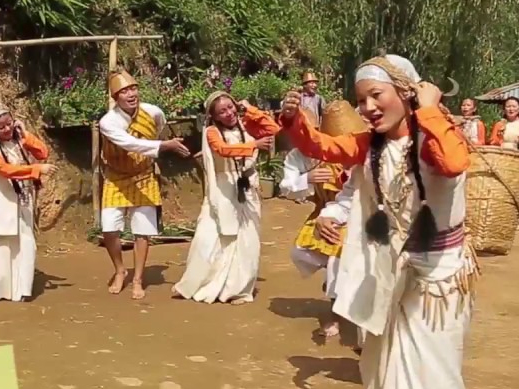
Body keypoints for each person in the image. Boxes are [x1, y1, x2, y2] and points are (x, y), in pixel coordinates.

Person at [280, 54, 477, 389]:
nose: (367, 107)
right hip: (392, 276)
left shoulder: (434, 135)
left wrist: (429, 108)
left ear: (406, 91)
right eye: (360, 99)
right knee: (385, 374)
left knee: (428, 383)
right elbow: (326, 148)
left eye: (376, 95)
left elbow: (452, 163)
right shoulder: (370, 144)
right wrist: (293, 120)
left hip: (437, 282)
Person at [173, 92, 279, 304]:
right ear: (214, 116)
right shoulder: (212, 132)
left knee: (247, 237)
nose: (229, 113)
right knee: (210, 235)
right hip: (222, 189)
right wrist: (253, 146)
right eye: (222, 111)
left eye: (231, 107)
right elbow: (223, 150)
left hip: (247, 186)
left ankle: (237, 289)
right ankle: (201, 281)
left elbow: (273, 129)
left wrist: (249, 109)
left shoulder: (245, 124)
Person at [97, 71, 191, 300]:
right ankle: (120, 270)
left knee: (142, 230)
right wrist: (162, 146)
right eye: (124, 92)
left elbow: (157, 127)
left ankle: (138, 278)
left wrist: (156, 146)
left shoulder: (153, 112)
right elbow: (129, 143)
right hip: (117, 177)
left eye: (133, 89)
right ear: (115, 97)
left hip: (144, 175)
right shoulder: (108, 122)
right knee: (109, 228)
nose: (131, 94)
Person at [285, 99, 366, 343]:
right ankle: (338, 295)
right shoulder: (302, 157)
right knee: (302, 253)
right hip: (330, 214)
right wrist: (307, 179)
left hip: (366, 221)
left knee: (338, 263)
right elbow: (287, 188)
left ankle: (337, 313)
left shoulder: (370, 154)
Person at [0, 103, 55, 302]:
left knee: (25, 240)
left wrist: (25, 134)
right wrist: (36, 170)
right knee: (2, 242)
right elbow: (3, 169)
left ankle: (21, 288)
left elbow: (42, 153)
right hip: (1, 197)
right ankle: (1, 289)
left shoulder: (19, 138)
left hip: (22, 196)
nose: (6, 129)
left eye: (9, 124)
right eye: (1, 127)